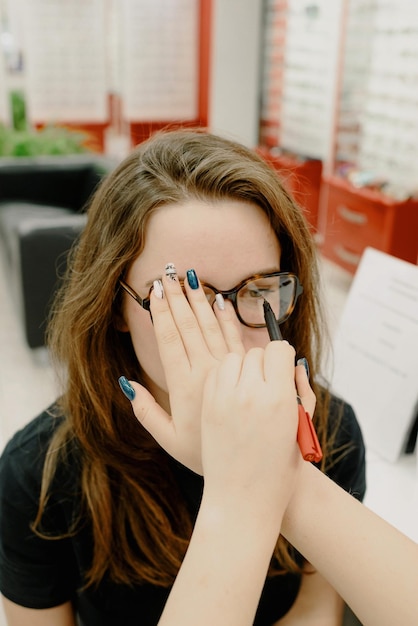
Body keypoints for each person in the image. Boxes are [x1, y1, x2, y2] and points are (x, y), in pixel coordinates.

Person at [0, 129, 366, 625]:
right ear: (113, 307)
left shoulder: (330, 430)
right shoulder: (38, 476)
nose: (229, 334)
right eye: (181, 298)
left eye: (258, 291)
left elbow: (317, 611)